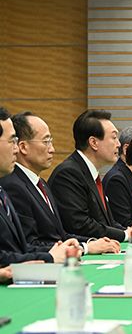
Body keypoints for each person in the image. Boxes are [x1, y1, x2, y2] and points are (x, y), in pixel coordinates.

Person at [0, 112, 120, 254]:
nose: (52, 149)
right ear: (23, 147)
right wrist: (85, 248)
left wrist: (89, 243)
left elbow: (60, 235)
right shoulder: (13, 185)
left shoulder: (41, 183)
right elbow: (27, 245)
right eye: (46, 142)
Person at [48, 110, 132, 242]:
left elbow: (105, 222)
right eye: (114, 137)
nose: (118, 144)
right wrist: (125, 235)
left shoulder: (90, 173)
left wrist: (127, 229)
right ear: (93, 142)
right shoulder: (68, 174)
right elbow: (79, 224)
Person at [0, 107, 73, 267]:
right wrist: (50, 257)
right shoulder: (11, 185)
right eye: (12, 141)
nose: (16, 148)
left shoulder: (4, 190)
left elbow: (21, 248)